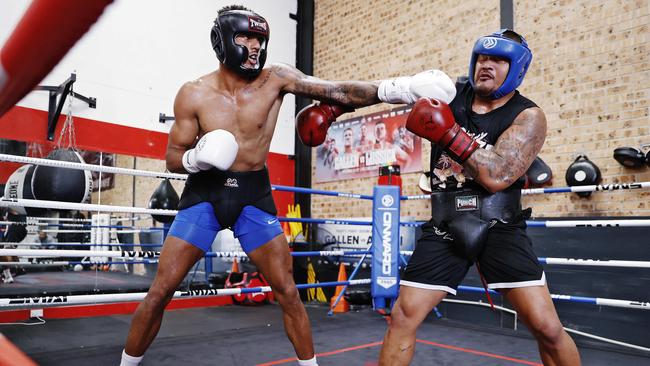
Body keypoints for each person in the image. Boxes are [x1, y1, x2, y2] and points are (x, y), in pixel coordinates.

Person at [120, 5, 456, 366]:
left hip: (253, 197)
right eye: (244, 37)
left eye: (259, 39)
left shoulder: (275, 78)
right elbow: (173, 156)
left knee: (289, 292)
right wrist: (196, 158)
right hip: (205, 194)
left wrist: (397, 89)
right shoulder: (194, 93)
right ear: (221, 41)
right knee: (160, 292)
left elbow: (335, 91)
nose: (253, 46)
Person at [379, 30, 581, 366]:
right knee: (403, 315)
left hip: (501, 226)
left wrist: (447, 131)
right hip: (445, 225)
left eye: (498, 59)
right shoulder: (447, 95)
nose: (486, 65)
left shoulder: (528, 115)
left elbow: (498, 175)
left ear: (516, 68)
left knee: (547, 328)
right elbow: (377, 92)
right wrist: (332, 104)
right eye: (482, 58)